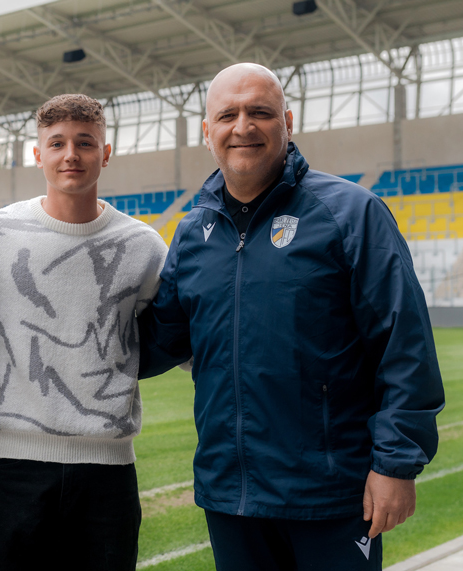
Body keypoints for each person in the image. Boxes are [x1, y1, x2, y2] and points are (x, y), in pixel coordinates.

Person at [138, 63, 445, 571]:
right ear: (207, 131)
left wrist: (396, 464)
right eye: (227, 115)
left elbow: (403, 344)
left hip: (331, 495)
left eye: (260, 112)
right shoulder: (194, 232)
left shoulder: (352, 213)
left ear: (288, 122)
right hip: (229, 494)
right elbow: (156, 341)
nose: (243, 127)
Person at [0, 93, 169, 571]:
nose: (70, 154)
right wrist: (5, 371)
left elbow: (168, 338)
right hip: (12, 467)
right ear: (38, 154)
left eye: (85, 142)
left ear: (106, 153)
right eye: (57, 143)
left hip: (107, 472)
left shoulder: (142, 247)